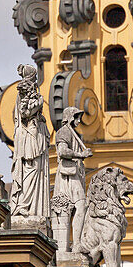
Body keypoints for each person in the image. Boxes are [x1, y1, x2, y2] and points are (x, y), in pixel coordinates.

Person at [10, 64, 50, 222]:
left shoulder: (25, 97)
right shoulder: (26, 97)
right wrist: (37, 105)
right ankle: (23, 205)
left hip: (30, 136)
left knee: (31, 170)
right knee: (30, 170)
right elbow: (25, 113)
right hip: (28, 137)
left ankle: (28, 205)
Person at [54, 106, 92, 250]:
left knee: (80, 208)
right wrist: (81, 155)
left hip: (76, 173)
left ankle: (77, 242)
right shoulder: (64, 132)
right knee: (79, 206)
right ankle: (75, 243)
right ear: (69, 118)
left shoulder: (75, 134)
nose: (79, 120)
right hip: (67, 176)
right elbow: (62, 151)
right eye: (76, 117)